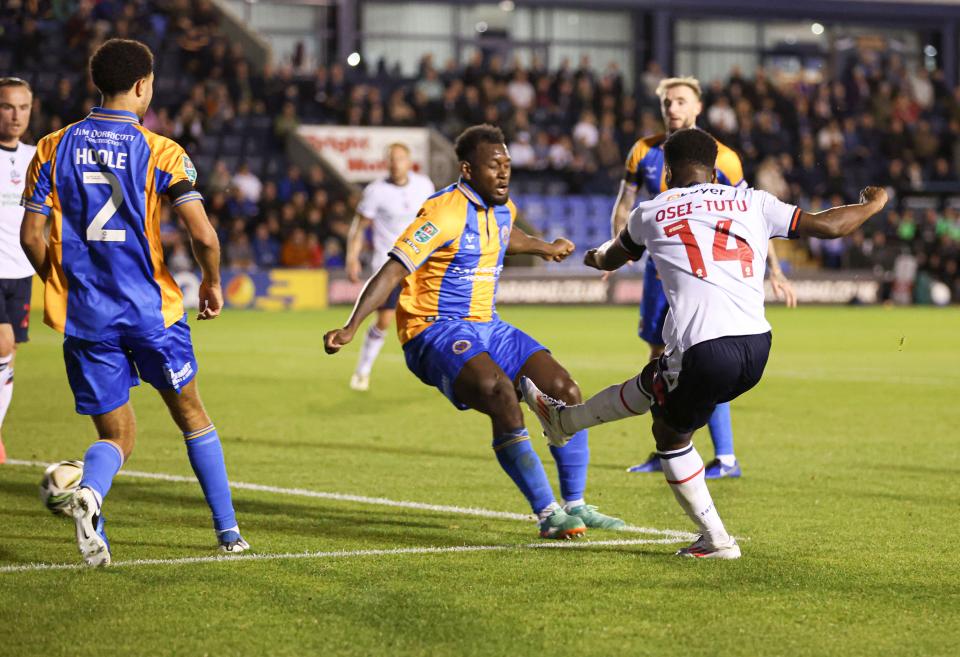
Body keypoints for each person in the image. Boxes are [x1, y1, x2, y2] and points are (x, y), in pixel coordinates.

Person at [522, 128, 888, 558]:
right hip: (757, 346)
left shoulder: (652, 211)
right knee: (654, 382)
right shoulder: (752, 200)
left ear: (669, 172)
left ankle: (716, 540)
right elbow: (828, 226)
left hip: (706, 349)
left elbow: (610, 257)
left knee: (669, 435)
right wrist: (873, 204)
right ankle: (566, 422)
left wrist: (589, 257)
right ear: (715, 169)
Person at [324, 124, 625, 539]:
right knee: (501, 394)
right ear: (467, 169)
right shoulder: (442, 212)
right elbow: (394, 267)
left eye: (507, 165)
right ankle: (548, 514)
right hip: (432, 329)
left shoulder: (503, 207)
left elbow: (506, 236)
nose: (503, 173)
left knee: (566, 391)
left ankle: (576, 504)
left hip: (489, 325)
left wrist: (543, 246)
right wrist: (351, 325)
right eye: (493, 166)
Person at [19, 38, 247, 567]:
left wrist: (61, 281)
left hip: (87, 316)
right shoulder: (162, 150)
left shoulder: (52, 146)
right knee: (191, 415)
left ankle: (92, 493)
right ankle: (229, 533)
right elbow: (204, 236)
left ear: (98, 82)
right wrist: (211, 282)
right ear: (144, 84)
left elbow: (32, 237)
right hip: (153, 313)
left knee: (116, 433)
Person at [609, 76, 797, 478]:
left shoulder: (721, 158)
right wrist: (619, 246)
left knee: (707, 349)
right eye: (666, 103)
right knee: (659, 358)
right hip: (659, 272)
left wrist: (776, 270)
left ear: (697, 108)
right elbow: (624, 202)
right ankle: (668, 449)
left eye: (680, 101)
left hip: (706, 273)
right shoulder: (643, 150)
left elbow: (756, 216)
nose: (672, 109)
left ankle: (725, 456)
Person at [344, 143, 435, 391]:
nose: (396, 163)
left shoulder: (424, 185)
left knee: (433, 320)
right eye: (391, 159)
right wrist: (352, 257)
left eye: (400, 158)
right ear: (387, 163)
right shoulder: (376, 191)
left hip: (420, 265)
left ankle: (439, 371)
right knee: (384, 320)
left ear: (409, 161)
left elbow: (434, 221)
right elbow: (360, 226)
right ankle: (363, 371)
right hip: (388, 265)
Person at [0, 78, 36, 463]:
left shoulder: (34, 157)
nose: (16, 116)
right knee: (3, 345)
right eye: (8, 107)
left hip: (20, 271)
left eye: (23, 108)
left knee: (8, 358)